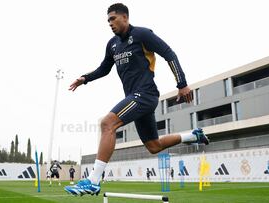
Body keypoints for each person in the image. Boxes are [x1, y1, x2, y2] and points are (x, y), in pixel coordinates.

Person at [65, 3, 209, 196]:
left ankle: (93, 180)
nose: (110, 23)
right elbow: (104, 69)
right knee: (154, 146)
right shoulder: (112, 44)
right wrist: (85, 78)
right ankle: (193, 136)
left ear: (125, 17)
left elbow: (169, 54)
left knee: (108, 123)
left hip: (146, 94)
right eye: (108, 20)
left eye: (113, 18)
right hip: (135, 98)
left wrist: (182, 84)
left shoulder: (142, 35)